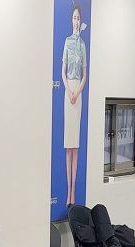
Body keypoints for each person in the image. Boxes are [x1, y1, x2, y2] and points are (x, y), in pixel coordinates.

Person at [62, 3, 87, 207]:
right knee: (68, 146)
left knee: (75, 145)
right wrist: (69, 91)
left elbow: (85, 74)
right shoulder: (67, 42)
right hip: (68, 90)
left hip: (78, 91)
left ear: (81, 20)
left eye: (78, 18)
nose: (76, 21)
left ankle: (73, 191)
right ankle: (67, 189)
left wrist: (77, 92)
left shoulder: (82, 45)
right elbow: (62, 72)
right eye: (74, 17)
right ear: (71, 20)